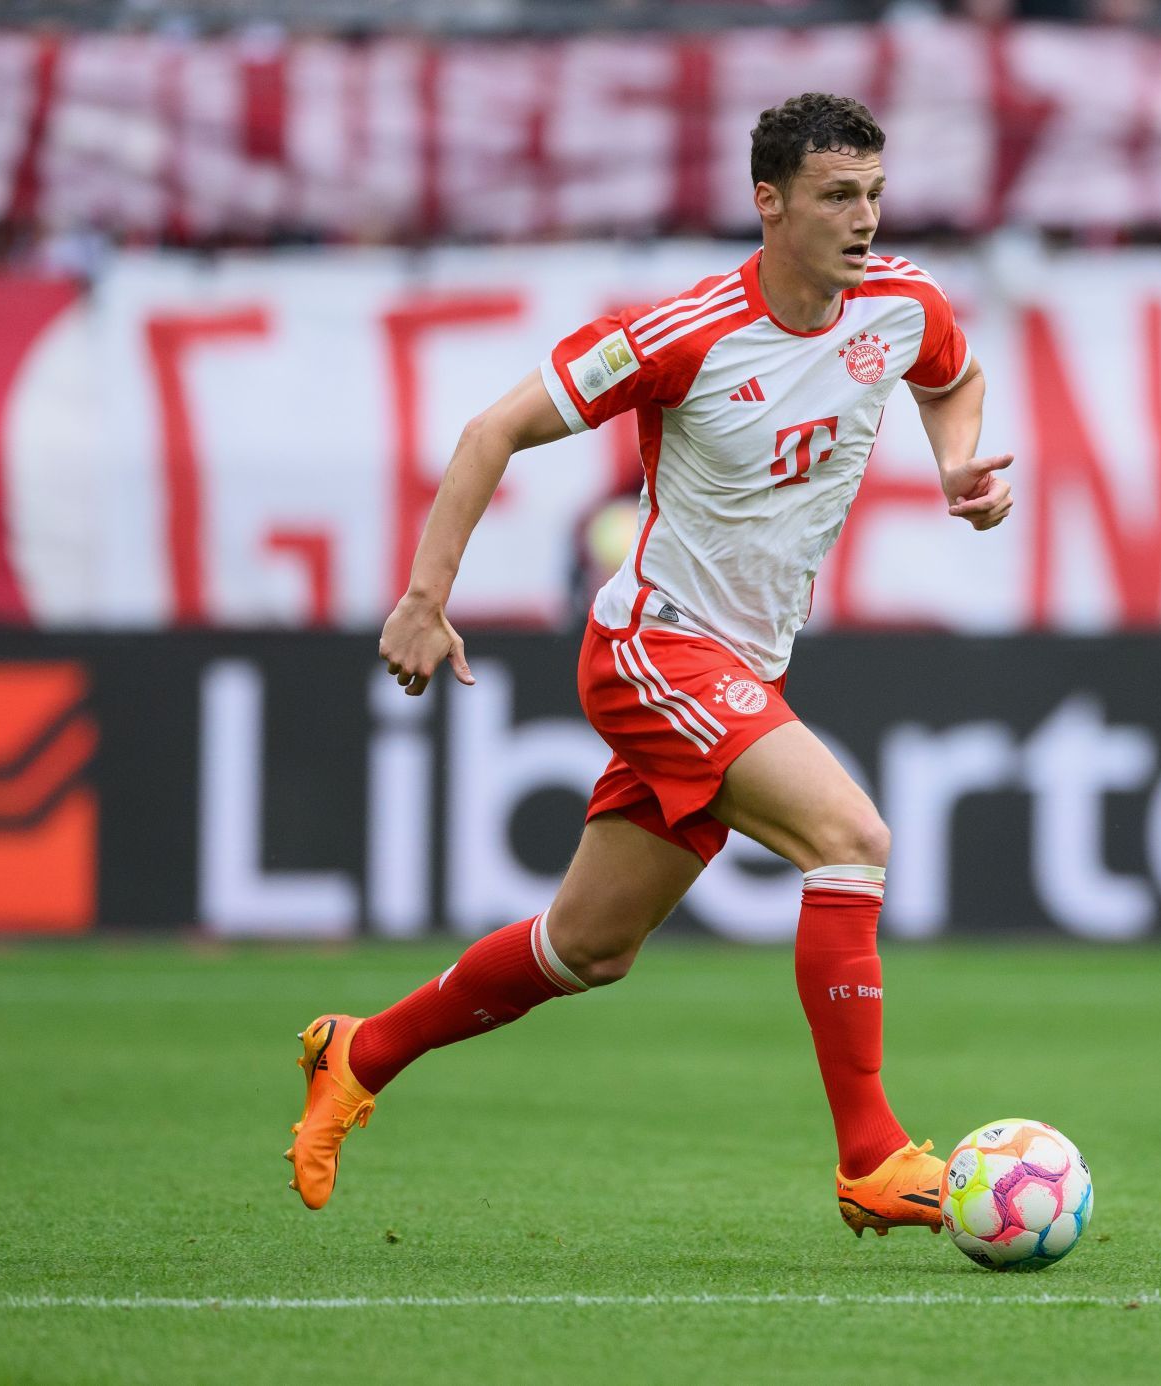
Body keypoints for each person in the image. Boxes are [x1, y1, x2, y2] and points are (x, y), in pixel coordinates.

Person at [285, 93, 1015, 1238]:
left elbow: (952, 378)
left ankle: (358, 1051)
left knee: (587, 950)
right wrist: (426, 599)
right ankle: (871, 1156)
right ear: (768, 204)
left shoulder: (903, 306)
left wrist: (960, 467)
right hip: (651, 644)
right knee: (851, 840)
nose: (863, 219)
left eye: (873, 193)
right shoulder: (683, 333)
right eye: (836, 196)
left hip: (744, 665)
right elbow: (491, 432)